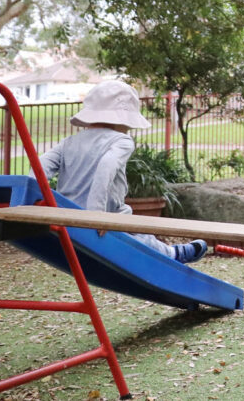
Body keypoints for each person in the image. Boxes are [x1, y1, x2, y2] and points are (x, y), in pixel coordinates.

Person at [40, 80, 207, 263]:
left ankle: (170, 251)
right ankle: (173, 254)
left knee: (135, 229)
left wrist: (32, 204)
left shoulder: (69, 142)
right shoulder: (121, 141)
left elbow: (41, 167)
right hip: (105, 218)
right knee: (134, 232)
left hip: (66, 216)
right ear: (123, 119)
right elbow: (106, 167)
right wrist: (95, 216)